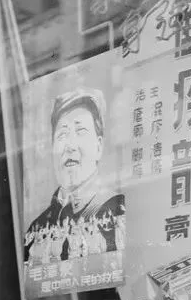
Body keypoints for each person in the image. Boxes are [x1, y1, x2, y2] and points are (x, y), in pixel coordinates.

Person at [24, 88, 125, 264]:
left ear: (99, 146)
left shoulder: (117, 210)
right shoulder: (38, 227)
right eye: (62, 134)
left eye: (81, 131)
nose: (70, 145)